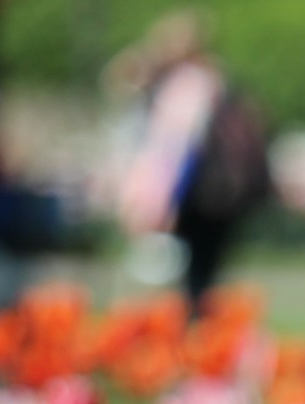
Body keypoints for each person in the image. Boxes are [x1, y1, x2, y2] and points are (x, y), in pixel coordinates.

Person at [113, 12, 271, 309]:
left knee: (194, 277)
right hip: (223, 191)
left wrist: (166, 201)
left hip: (198, 191)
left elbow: (178, 149)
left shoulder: (187, 86)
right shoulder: (216, 78)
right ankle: (202, 332)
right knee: (204, 272)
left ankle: (198, 339)